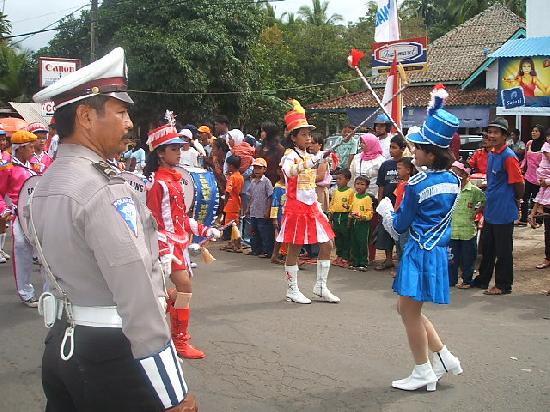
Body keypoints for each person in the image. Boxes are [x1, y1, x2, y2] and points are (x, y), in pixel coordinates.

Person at [31, 48, 196, 410]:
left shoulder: (44, 183)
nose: (128, 123)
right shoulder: (102, 188)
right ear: (87, 116)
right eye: (120, 112)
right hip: (114, 354)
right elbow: (134, 289)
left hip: (62, 342)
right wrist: (173, 392)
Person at [376, 86, 463, 391]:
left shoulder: (416, 183)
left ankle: (423, 370)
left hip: (418, 251)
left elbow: (400, 225)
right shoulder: (455, 180)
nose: (414, 151)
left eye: (419, 148)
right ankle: (445, 357)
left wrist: (386, 209)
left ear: (431, 152)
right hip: (437, 251)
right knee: (407, 309)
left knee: (409, 313)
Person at [144, 119, 221, 359]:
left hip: (179, 242)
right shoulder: (158, 184)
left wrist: (205, 229)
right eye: (174, 149)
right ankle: (179, 341)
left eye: (180, 148)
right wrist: (164, 251)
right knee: (185, 288)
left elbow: (180, 218)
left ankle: (163, 309)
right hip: (167, 245)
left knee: (183, 290)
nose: (179, 152)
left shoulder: (175, 180)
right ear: (160, 153)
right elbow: (154, 222)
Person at [277, 99, 339, 304]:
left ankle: (320, 286)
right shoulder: (289, 156)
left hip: (312, 206)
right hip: (296, 207)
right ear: (293, 137)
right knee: (294, 247)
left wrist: (324, 159)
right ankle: (291, 289)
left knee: (327, 244)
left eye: (309, 134)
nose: (308, 138)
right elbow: (289, 171)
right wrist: (311, 161)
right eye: (303, 134)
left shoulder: (308, 154)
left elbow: (319, 175)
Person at [472, 117, 525, 295]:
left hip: (503, 209)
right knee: (487, 247)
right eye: (490, 132)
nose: (492, 135)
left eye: (496, 132)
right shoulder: (492, 154)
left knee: (503, 251)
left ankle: (503, 285)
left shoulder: (509, 157)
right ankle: (482, 280)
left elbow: (519, 183)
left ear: (504, 136)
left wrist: (517, 199)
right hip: (491, 209)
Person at [0, 130, 42, 307]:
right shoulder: (7, 167)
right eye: (30, 147)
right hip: (19, 217)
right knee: (21, 250)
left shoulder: (37, 163)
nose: (34, 150)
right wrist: (4, 210)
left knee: (44, 254)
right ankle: (26, 292)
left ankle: (50, 291)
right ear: (20, 149)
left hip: (39, 214)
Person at [449, 161, 486, 288]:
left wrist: (476, 211)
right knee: (451, 259)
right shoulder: (451, 190)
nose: (452, 175)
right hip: (452, 231)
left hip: (467, 231)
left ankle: (467, 280)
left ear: (464, 174)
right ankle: (451, 280)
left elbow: (484, 201)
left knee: (468, 258)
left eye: (455, 172)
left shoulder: (474, 191)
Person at [375, 134, 406, 271]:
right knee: (385, 232)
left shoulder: (408, 163)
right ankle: (388, 260)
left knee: (401, 235)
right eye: (390, 147)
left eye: (394, 147)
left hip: (401, 205)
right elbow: (381, 185)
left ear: (403, 148)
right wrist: (380, 203)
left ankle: (402, 263)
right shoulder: (386, 165)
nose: (391, 150)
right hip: (388, 204)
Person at [393, 156, 416, 277]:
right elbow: (397, 200)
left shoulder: (411, 184)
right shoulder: (400, 184)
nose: (397, 171)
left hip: (406, 219)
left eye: (399, 168)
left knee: (404, 244)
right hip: (398, 217)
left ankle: (406, 270)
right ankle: (401, 269)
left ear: (408, 170)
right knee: (399, 244)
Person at [246, 157, 274, 257]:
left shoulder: (266, 182)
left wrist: (268, 211)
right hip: (254, 211)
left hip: (262, 212)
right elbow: (251, 196)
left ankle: (267, 251)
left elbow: (270, 197)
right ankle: (256, 249)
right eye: (255, 168)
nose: (257, 170)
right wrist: (248, 208)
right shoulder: (253, 182)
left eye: (259, 168)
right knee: (254, 232)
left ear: (264, 169)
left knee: (265, 232)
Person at [519, 124, 545, 224]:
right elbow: (525, 158)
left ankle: (538, 219)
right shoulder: (529, 143)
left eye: (536, 131)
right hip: (528, 175)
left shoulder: (545, 146)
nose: (533, 133)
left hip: (539, 177)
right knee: (524, 197)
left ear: (541, 133)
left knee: (537, 199)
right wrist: (521, 168)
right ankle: (524, 218)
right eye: (533, 131)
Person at [329, 169, 353, 268]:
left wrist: (349, 217)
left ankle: (345, 257)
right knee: (337, 237)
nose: (338, 181)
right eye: (337, 179)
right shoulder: (335, 191)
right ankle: (338, 255)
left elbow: (352, 205)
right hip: (336, 216)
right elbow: (332, 203)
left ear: (347, 180)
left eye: (340, 179)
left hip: (345, 216)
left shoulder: (350, 191)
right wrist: (330, 215)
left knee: (346, 237)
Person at [349, 176, 374, 271]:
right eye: (357, 184)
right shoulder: (354, 196)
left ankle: (363, 262)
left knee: (362, 242)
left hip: (363, 223)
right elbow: (352, 206)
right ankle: (355, 262)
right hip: (354, 221)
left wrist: (363, 217)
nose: (359, 186)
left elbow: (369, 212)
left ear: (367, 186)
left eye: (362, 184)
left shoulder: (367, 198)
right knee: (354, 242)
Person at [528, 127, 550, 228]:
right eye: (548, 136)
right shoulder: (545, 146)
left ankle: (533, 214)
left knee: (541, 193)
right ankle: (536, 212)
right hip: (542, 174)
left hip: (543, 176)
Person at [222, 155, 244, 252]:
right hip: (237, 202)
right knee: (235, 224)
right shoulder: (240, 177)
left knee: (231, 225)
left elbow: (228, 191)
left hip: (231, 203)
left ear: (231, 165)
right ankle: (233, 243)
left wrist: (225, 203)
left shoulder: (232, 177)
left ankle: (236, 244)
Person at [256, 121, 285, 186]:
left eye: (263, 131)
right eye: (261, 131)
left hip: (273, 182)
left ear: (270, 133)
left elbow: (281, 167)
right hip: (259, 182)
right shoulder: (259, 148)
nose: (261, 133)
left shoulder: (279, 149)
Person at [308, 135, 331, 212]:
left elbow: (320, 177)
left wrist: (304, 179)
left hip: (319, 191)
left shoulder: (323, 158)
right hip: (308, 190)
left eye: (313, 143)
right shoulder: (308, 157)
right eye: (309, 143)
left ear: (320, 145)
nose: (310, 145)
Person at [270, 167, 287, 264]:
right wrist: (274, 219)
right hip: (281, 214)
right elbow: (275, 203)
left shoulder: (291, 185)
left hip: (289, 213)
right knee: (280, 235)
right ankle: (276, 255)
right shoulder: (278, 187)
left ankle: (283, 254)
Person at [0, 125, 11, 263]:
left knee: (3, 221)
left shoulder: (7, 156)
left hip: (5, 193)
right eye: (0, 139)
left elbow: (11, 173)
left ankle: (1, 249)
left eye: (3, 139)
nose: (2, 142)